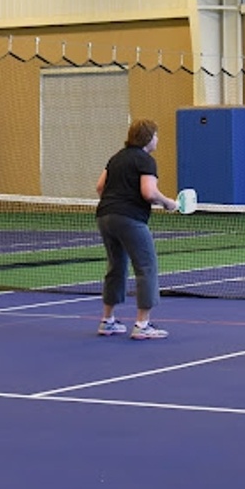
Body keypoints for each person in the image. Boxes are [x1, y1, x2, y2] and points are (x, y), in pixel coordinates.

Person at [95, 119, 178, 339]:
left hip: (104, 216)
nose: (158, 139)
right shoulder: (145, 160)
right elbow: (149, 193)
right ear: (148, 138)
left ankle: (108, 320)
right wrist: (168, 202)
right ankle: (142, 325)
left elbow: (100, 187)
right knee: (146, 267)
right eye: (156, 135)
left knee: (116, 266)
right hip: (129, 218)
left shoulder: (116, 158)